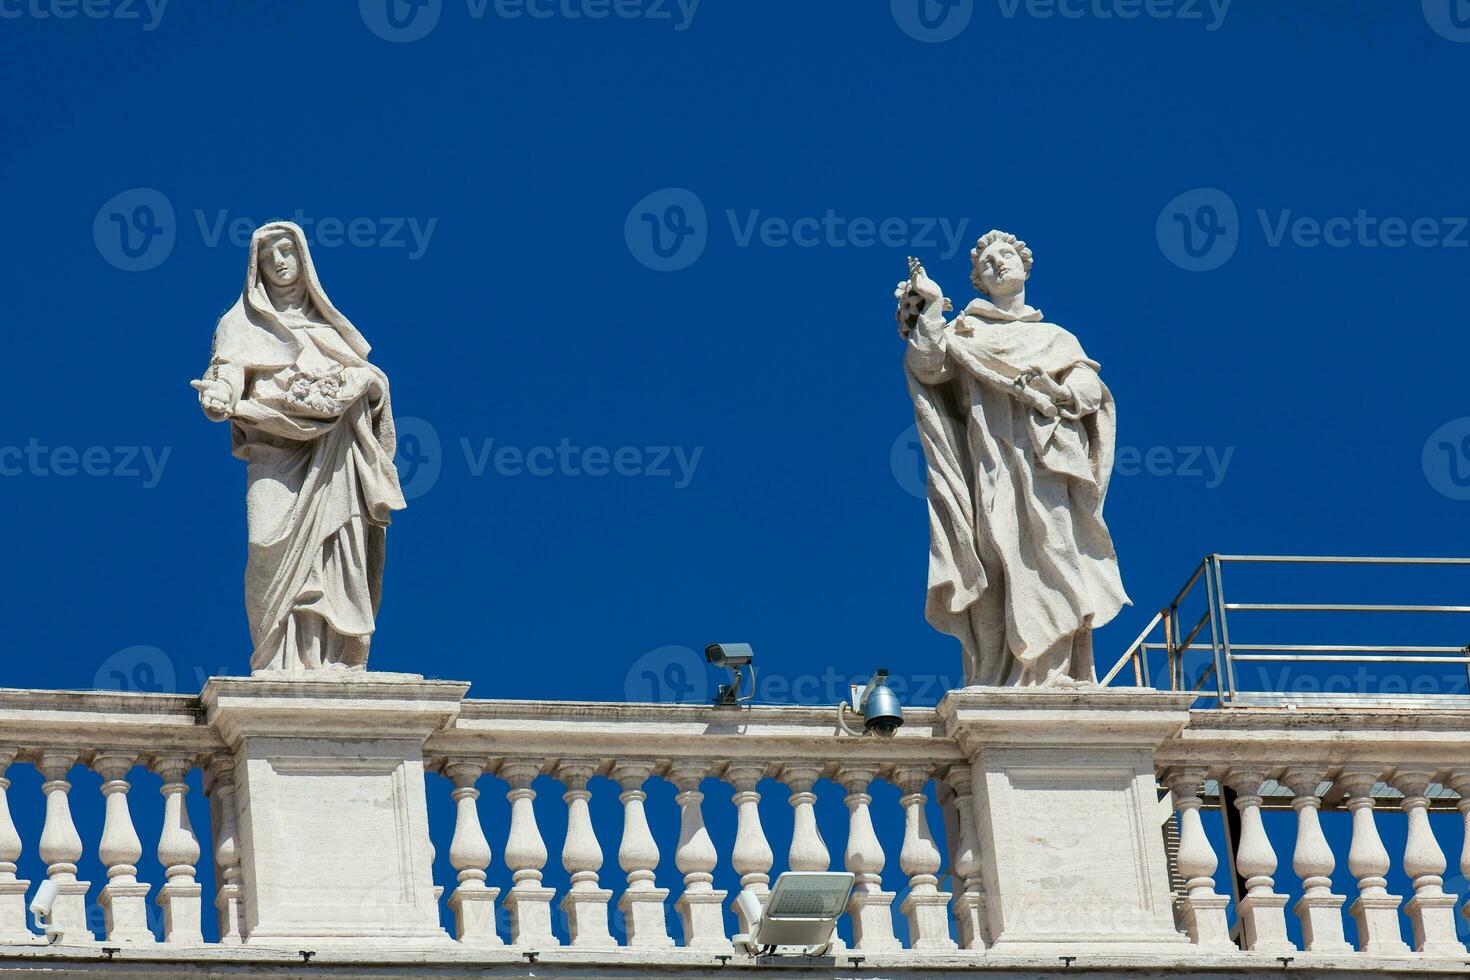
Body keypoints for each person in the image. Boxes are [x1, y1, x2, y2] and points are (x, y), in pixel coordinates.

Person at [901, 230, 1128, 686]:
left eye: (1006, 255)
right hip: (991, 464)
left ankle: (1057, 671)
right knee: (998, 555)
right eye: (986, 263)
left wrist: (1059, 393)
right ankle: (1003, 672)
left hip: (1049, 462)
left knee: (1057, 552)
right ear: (978, 282)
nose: (998, 264)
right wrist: (927, 312)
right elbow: (930, 366)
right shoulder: (965, 332)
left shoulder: (1055, 337)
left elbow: (1089, 391)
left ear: (1026, 266)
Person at [193, 221, 406, 673]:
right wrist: (219, 397)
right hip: (272, 449)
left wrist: (366, 385)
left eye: (287, 252)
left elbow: (372, 383)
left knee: (336, 545)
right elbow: (227, 375)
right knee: (264, 542)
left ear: (303, 259)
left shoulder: (330, 331)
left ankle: (329, 658)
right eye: (269, 257)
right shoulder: (239, 325)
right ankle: (277, 660)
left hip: (334, 459)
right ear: (257, 269)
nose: (280, 263)